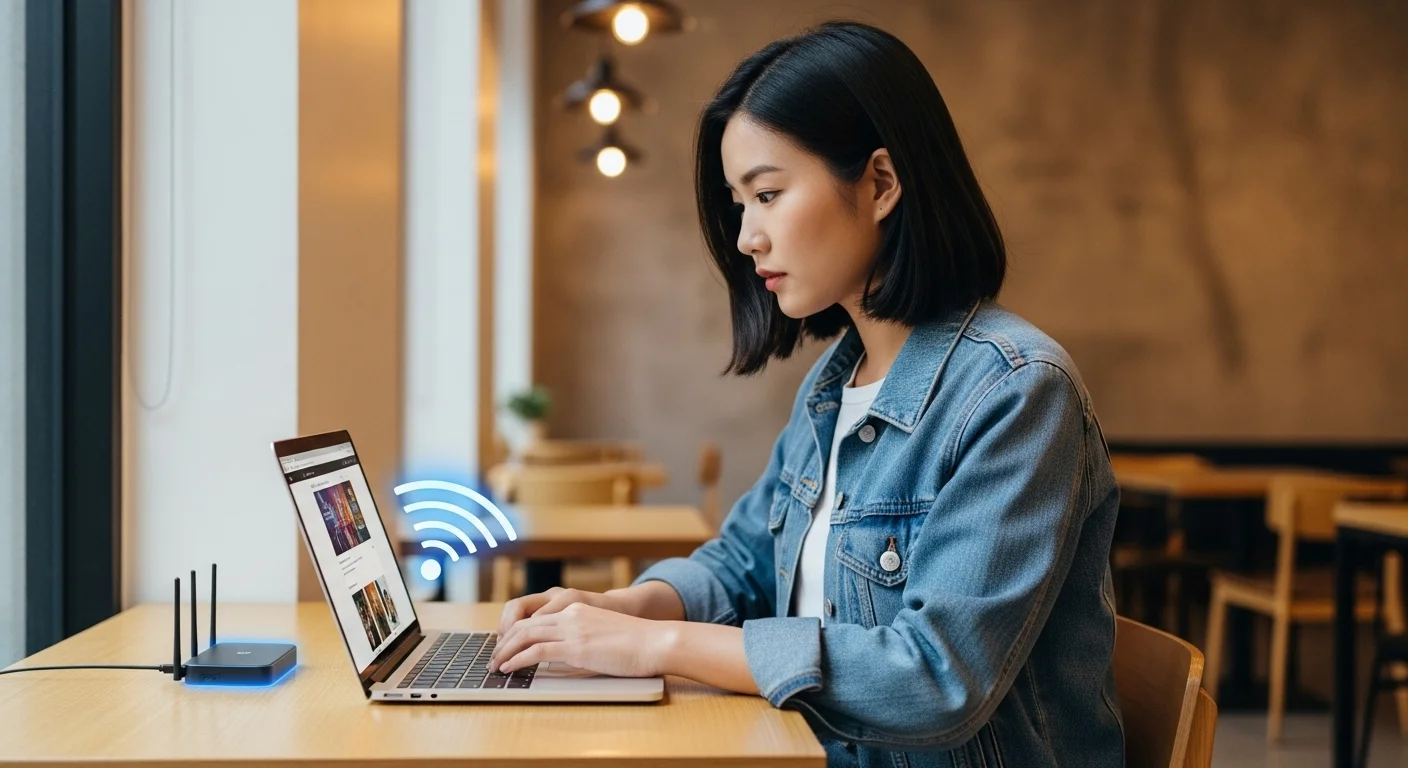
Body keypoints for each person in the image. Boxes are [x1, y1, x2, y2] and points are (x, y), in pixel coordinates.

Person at [489, 21, 1123, 767]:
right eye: (739, 205)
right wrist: (625, 608)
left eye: (767, 194)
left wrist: (656, 644)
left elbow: (936, 678)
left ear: (882, 184)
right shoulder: (834, 386)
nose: (746, 237)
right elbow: (744, 562)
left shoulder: (1016, 393)